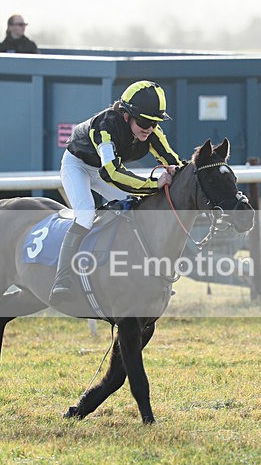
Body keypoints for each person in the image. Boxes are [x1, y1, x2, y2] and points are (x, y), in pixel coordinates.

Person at [49, 80, 183, 305]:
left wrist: (181, 173)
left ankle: (147, 276)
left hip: (104, 169)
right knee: (85, 215)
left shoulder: (152, 132)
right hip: (78, 165)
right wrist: (153, 185)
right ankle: (62, 279)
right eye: (144, 122)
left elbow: (173, 161)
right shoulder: (105, 127)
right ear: (126, 116)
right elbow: (111, 172)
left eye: (154, 122)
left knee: (137, 210)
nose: (149, 128)